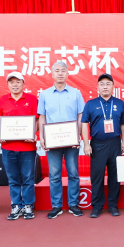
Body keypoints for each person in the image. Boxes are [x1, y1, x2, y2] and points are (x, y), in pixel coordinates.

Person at [38, 61, 85, 218]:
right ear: (52, 74)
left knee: (73, 173)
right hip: (53, 141)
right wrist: (42, 137)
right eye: (57, 71)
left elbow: (80, 115)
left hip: (71, 141)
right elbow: (42, 116)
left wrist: (78, 135)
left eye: (63, 71)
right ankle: (56, 206)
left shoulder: (76, 93)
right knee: (54, 174)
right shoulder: (44, 94)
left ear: (67, 74)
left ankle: (73, 204)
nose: (60, 73)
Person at [82, 74, 124, 218]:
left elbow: (123, 123)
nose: (105, 86)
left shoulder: (119, 103)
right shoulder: (90, 104)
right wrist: (86, 144)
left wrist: (123, 141)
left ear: (113, 86)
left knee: (115, 175)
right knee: (97, 176)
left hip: (115, 143)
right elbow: (84, 124)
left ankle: (113, 205)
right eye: (102, 84)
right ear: (98, 87)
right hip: (97, 144)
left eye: (108, 84)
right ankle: (97, 206)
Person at [0, 71, 39, 220]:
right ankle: (16, 205)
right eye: (11, 82)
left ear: (23, 83)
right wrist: (0, 134)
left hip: (28, 147)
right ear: (7, 84)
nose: (15, 85)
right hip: (8, 147)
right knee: (12, 178)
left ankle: (28, 205)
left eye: (18, 82)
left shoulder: (32, 99)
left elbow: (37, 120)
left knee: (28, 178)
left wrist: (32, 133)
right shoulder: (2, 100)